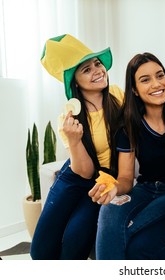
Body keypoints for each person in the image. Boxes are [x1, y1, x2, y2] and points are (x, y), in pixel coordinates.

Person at [88, 52, 165, 259]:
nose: (156, 84)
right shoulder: (129, 127)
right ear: (134, 89)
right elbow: (126, 178)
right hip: (145, 189)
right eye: (145, 80)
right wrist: (114, 188)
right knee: (108, 210)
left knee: (127, 229)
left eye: (160, 76)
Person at [30, 34, 124, 259]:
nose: (98, 70)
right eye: (87, 70)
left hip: (104, 180)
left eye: (97, 64)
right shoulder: (68, 118)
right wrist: (73, 140)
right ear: (75, 81)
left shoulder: (118, 95)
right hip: (74, 178)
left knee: (74, 245)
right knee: (40, 251)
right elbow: (84, 171)